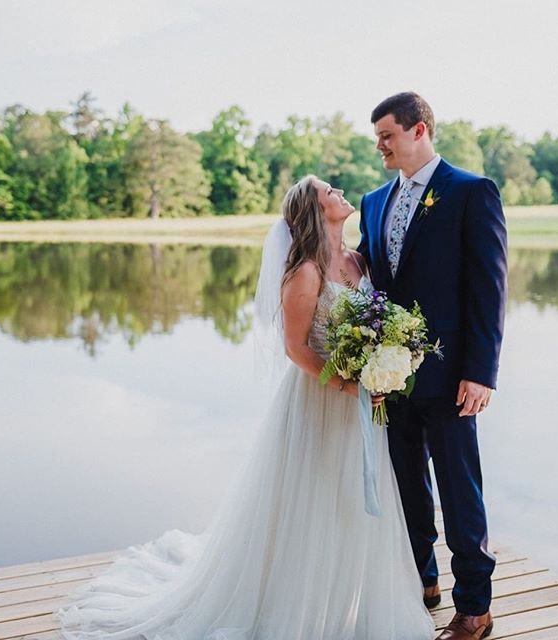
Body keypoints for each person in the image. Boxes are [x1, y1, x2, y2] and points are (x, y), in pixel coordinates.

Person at [58, 175, 435, 640]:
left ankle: (345, 603)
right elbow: (296, 348)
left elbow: (375, 324)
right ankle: (296, 608)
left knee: (352, 503)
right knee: (311, 501)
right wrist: (346, 384)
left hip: (361, 407)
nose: (338, 190)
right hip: (319, 401)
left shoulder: (358, 260)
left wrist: (382, 370)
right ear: (316, 212)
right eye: (327, 190)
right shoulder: (305, 271)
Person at [358, 92, 508, 640]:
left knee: (458, 490)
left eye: (387, 135)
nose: (379, 146)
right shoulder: (373, 202)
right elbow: (368, 284)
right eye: (377, 137)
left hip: (452, 378)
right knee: (405, 488)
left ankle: (475, 608)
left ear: (419, 130)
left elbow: (489, 290)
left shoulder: (470, 192)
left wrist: (482, 371)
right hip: (389, 379)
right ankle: (420, 583)